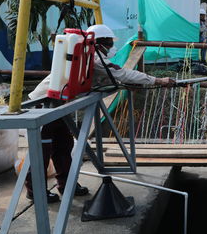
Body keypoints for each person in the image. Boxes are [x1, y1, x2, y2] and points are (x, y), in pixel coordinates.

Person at [26, 24, 175, 203]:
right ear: (99, 42)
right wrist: (157, 80)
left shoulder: (89, 56)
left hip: (59, 104)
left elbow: (99, 80)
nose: (112, 47)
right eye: (110, 43)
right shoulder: (94, 57)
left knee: (63, 145)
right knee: (43, 149)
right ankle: (35, 191)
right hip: (44, 103)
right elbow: (121, 73)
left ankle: (67, 185)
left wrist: (122, 85)